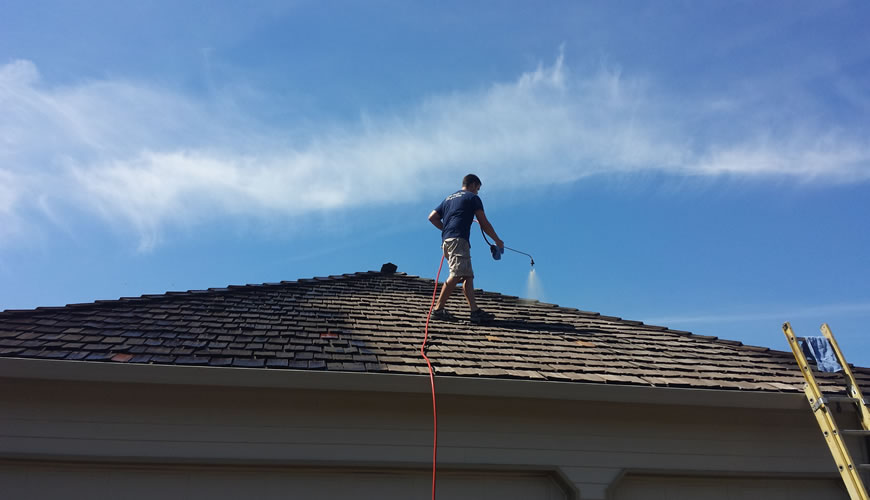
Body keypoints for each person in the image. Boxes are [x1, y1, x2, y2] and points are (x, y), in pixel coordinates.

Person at [428, 174, 504, 323]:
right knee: (456, 274)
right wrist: (497, 241)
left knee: (467, 275)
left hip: (448, 241)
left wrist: (446, 230)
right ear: (473, 184)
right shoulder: (472, 198)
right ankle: (438, 310)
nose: (477, 192)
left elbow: (432, 217)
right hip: (458, 241)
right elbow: (483, 222)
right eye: (477, 189)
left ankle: (474, 312)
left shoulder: (449, 198)